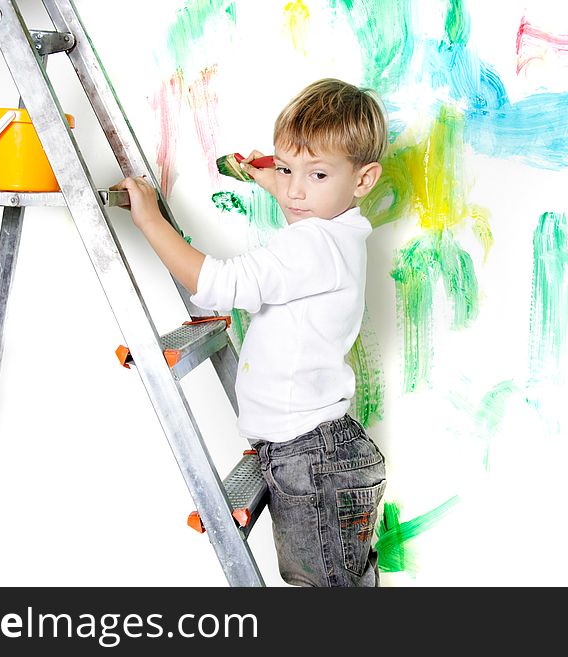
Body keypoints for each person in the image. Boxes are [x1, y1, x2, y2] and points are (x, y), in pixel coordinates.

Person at [113, 78, 388, 586]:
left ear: (363, 179)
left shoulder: (309, 245)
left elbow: (216, 285)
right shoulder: (341, 230)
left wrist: (150, 221)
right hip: (321, 450)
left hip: (310, 457)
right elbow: (308, 194)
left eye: (317, 174)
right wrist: (271, 176)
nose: (295, 190)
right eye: (287, 169)